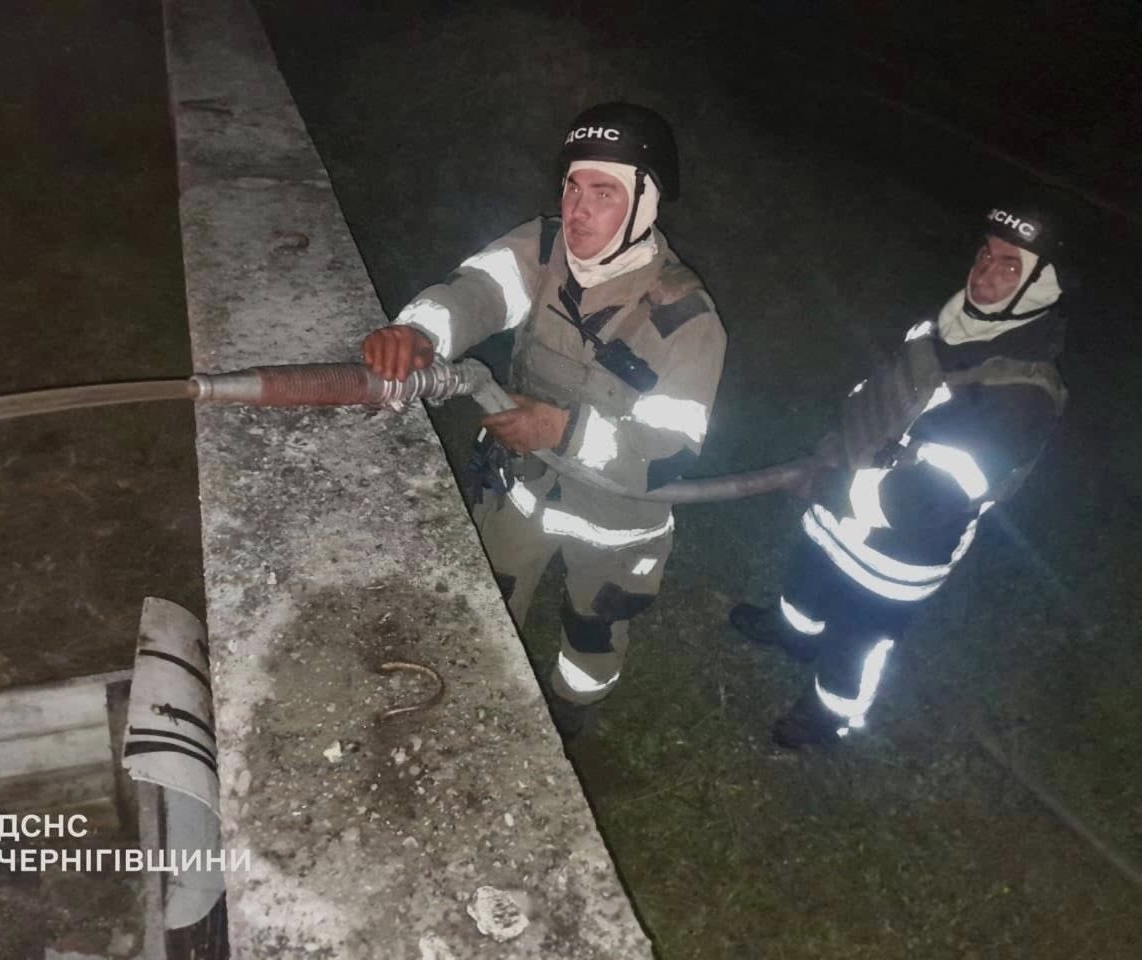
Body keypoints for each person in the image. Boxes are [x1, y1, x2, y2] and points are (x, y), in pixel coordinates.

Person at [362, 103, 727, 738]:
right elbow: (478, 292)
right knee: (487, 600)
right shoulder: (544, 246)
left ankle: (573, 712)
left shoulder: (686, 321)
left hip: (618, 522)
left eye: (604, 193)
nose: (579, 210)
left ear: (645, 204)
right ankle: (472, 693)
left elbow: (668, 453)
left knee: (595, 627)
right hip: (522, 488)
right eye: (572, 186)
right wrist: (419, 333)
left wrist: (562, 430)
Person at [729, 206, 1069, 748]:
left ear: (1040, 285)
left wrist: (833, 486)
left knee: (858, 640)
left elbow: (933, 501)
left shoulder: (1023, 395)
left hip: (896, 554)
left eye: (1010, 267)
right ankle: (792, 633)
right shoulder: (945, 325)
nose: (984, 274)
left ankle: (829, 715)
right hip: (837, 502)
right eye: (985, 255)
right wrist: (836, 450)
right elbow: (881, 395)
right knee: (806, 578)